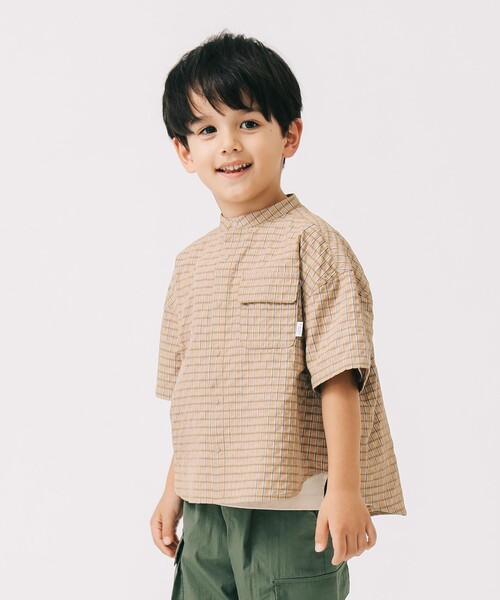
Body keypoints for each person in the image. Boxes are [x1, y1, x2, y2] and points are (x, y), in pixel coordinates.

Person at [150, 30, 407, 600]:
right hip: (206, 508)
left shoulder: (313, 245)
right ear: (184, 152)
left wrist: (345, 489)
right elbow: (196, 397)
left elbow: (340, 375)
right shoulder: (190, 265)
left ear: (289, 135)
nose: (228, 145)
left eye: (248, 122)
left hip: (290, 508)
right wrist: (174, 488)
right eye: (207, 130)